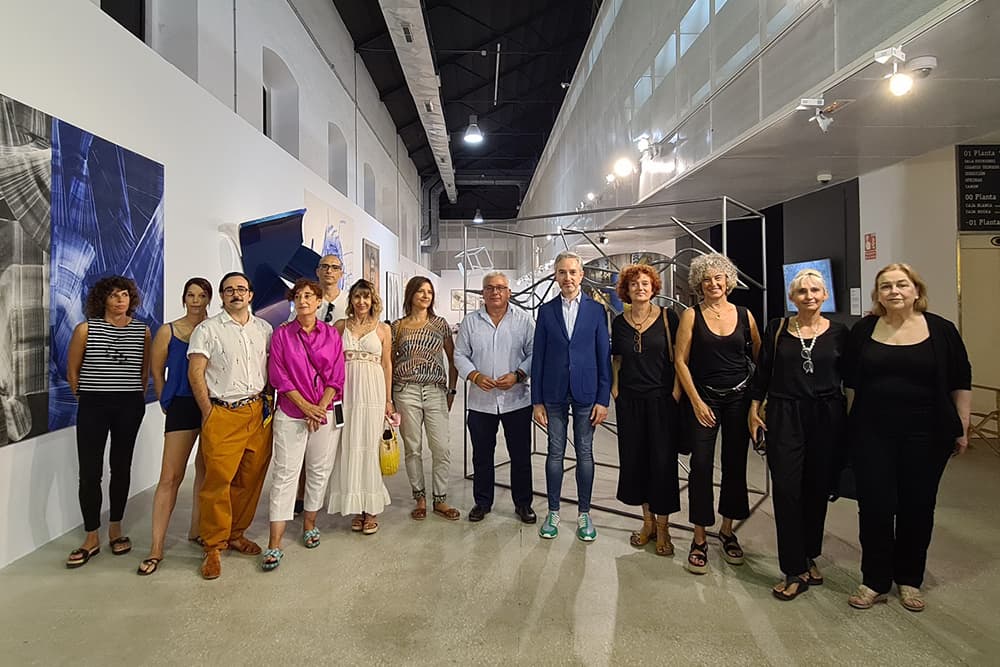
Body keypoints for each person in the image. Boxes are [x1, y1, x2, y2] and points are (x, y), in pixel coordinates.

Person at [843, 263, 971, 612]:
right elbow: (851, 382)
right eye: (886, 286)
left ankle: (909, 579)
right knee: (875, 507)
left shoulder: (941, 330)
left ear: (917, 290)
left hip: (927, 434)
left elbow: (961, 378)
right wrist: (850, 427)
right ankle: (874, 580)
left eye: (901, 284)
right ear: (878, 294)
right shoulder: (864, 329)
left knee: (918, 506)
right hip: (872, 433)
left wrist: (962, 425)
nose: (894, 291)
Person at [748, 269, 848, 600]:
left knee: (817, 489)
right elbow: (763, 372)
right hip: (784, 414)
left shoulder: (840, 333)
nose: (809, 296)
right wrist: (754, 408)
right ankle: (793, 568)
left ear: (825, 295)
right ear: (792, 297)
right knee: (787, 490)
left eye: (815, 290)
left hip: (827, 416)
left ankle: (809, 555)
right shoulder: (778, 328)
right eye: (802, 291)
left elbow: (852, 378)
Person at [675, 252, 761, 574]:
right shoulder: (691, 316)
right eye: (707, 279)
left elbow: (760, 357)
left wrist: (758, 402)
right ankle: (699, 537)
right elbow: (680, 361)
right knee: (700, 466)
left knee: (735, 465)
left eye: (718, 278)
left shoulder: (745, 315)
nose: (713, 284)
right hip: (704, 398)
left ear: (728, 281)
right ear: (699, 284)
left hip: (739, 399)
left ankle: (727, 531)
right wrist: (696, 402)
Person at [188, 272, 273, 580]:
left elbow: (271, 368)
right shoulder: (207, 329)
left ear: (250, 295)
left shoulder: (264, 328)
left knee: (250, 479)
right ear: (222, 296)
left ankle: (236, 533)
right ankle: (213, 545)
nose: (236, 294)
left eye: (241, 289)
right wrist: (208, 412)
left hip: (257, 412)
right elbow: (196, 372)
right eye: (229, 290)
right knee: (218, 482)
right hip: (223, 412)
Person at [65, 276, 151, 568]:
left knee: (121, 467)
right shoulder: (86, 329)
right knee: (89, 472)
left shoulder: (142, 331)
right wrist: (88, 398)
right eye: (113, 295)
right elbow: (73, 371)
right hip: (93, 404)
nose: (120, 300)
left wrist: (133, 398)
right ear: (102, 299)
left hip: (129, 405)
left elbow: (143, 372)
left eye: (124, 294)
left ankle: (116, 527)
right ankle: (91, 536)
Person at [260, 278, 345, 570]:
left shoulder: (331, 334)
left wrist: (318, 409)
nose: (303, 300)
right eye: (298, 296)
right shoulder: (282, 335)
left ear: (319, 301)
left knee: (319, 470)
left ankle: (310, 523)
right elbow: (279, 376)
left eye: (309, 295)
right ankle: (274, 542)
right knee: (285, 474)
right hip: (291, 413)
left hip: (325, 412)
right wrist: (306, 407)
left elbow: (337, 375)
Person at [532, 251, 611, 542]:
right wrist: (536, 400)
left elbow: (603, 356)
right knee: (555, 452)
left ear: (581, 275)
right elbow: (538, 357)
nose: (568, 277)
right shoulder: (546, 311)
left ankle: (584, 513)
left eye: (573, 272)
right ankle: (553, 512)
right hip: (553, 391)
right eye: (562, 272)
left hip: (586, 392)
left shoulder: (596, 310)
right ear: (556, 276)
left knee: (585, 453)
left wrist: (603, 399)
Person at [138, 277, 212, 576]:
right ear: (184, 298)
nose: (195, 300)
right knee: (170, 476)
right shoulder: (168, 331)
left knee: (206, 472)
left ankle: (197, 530)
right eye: (191, 295)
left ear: (209, 299)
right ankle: (156, 547)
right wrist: (165, 398)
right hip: (181, 403)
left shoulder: (214, 328)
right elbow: (156, 370)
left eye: (201, 295)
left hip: (213, 404)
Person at [454, 271, 536, 524]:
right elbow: (459, 354)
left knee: (520, 455)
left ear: (508, 292)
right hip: (481, 402)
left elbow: (535, 353)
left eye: (500, 287)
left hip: (517, 400)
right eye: (489, 288)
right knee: (481, 455)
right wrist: (475, 375)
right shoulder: (471, 322)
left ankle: (523, 504)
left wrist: (518, 374)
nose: (495, 292)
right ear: (483, 293)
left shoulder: (524, 320)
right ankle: (482, 502)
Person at [610, 264, 680, 556]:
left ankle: (664, 528)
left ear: (653, 288)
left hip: (662, 400)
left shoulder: (668, 317)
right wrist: (615, 388)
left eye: (645, 283)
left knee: (662, 464)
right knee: (636, 461)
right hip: (630, 401)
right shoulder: (619, 322)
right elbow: (617, 359)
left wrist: (676, 391)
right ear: (626, 290)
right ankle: (647, 522)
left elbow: (681, 357)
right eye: (634, 284)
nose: (640, 288)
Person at [391, 276, 460, 521]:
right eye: (420, 291)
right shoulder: (398, 326)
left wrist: (452, 390)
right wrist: (389, 398)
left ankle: (440, 499)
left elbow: (452, 359)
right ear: (410, 294)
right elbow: (389, 362)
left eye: (429, 292)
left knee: (441, 448)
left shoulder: (440, 324)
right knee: (413, 448)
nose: (425, 296)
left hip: (435, 390)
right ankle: (419, 497)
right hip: (405, 390)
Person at [328, 279, 394, 533]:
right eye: (357, 296)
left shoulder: (383, 329)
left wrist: (388, 400)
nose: (362, 301)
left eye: (366, 297)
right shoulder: (340, 326)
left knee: (370, 445)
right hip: (346, 391)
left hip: (373, 391)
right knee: (348, 444)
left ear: (373, 300)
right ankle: (356, 505)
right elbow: (329, 360)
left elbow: (387, 364)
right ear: (351, 299)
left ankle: (371, 508)